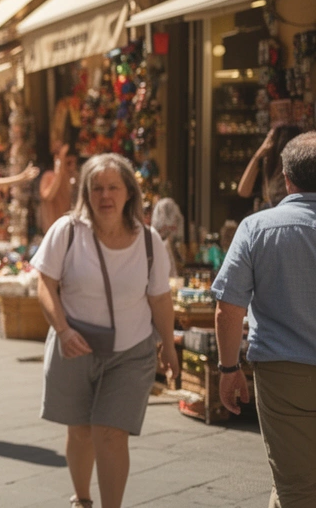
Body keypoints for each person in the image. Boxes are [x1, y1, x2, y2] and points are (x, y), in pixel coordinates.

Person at [32, 153, 178, 508]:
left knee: (111, 434)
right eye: (96, 188)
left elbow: (159, 299)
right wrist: (63, 331)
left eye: (113, 187)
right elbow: (44, 284)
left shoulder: (149, 241)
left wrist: (169, 347)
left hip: (131, 352)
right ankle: (82, 499)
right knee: (80, 431)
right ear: (86, 192)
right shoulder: (66, 232)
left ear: (129, 192)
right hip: (75, 344)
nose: (105, 196)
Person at [213, 131, 316, 506]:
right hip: (283, 370)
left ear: (286, 180)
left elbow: (228, 309)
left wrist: (228, 369)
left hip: (283, 374)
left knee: (295, 487)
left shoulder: (257, 228)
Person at [237, 125, 304, 208]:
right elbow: (243, 191)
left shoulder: (299, 167)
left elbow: (243, 191)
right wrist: (258, 155)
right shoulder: (266, 165)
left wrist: (259, 153)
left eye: (269, 138)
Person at [38, 145, 79, 233]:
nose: (71, 167)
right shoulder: (48, 176)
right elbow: (48, 196)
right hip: (51, 231)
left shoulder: (73, 180)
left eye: (73, 163)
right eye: (68, 163)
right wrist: (60, 171)